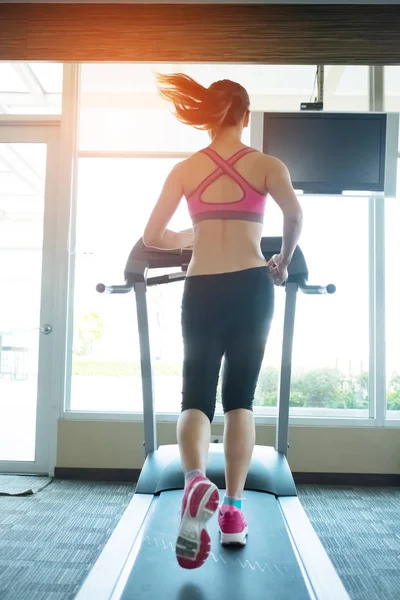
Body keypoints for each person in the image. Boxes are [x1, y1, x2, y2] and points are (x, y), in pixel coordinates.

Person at [142, 73, 303, 570]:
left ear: (209, 117)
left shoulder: (187, 169)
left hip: (203, 286)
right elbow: (294, 216)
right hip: (253, 287)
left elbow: (152, 236)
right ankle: (232, 512)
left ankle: (194, 481)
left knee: (195, 396)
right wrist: (282, 260)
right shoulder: (266, 164)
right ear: (245, 115)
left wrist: (194, 238)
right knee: (240, 402)